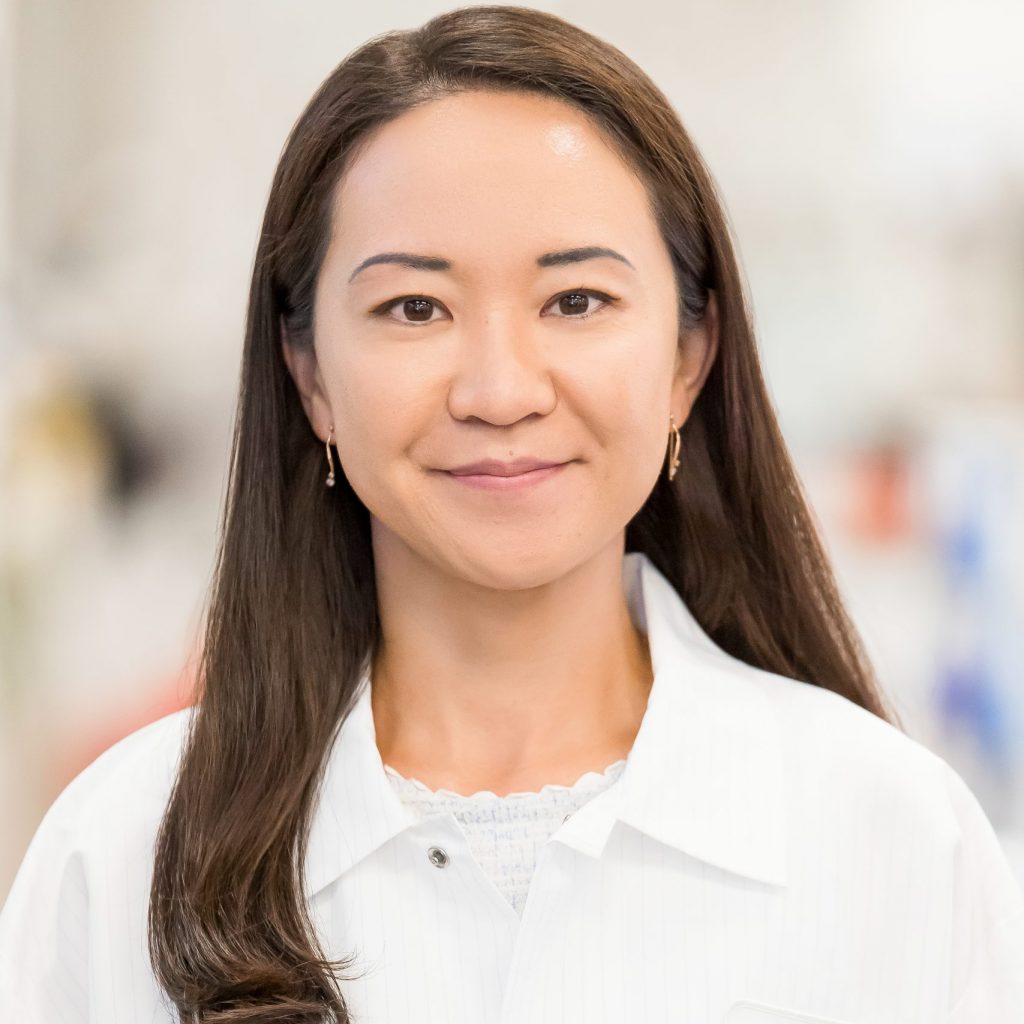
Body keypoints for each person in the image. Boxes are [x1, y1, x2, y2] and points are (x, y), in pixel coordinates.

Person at [2, 5, 1022, 1022]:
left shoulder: (894, 838)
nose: (499, 390)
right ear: (308, 374)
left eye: (576, 301)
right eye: (414, 309)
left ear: (688, 357)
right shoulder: (120, 852)